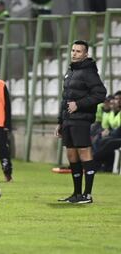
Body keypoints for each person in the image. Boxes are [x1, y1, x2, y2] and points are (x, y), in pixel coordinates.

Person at [55, 40, 106, 204]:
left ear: (86, 54)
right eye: (73, 50)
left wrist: (79, 104)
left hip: (81, 121)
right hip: (68, 121)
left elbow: (100, 94)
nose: (74, 53)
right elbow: (65, 99)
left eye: (78, 51)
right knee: (71, 156)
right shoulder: (70, 71)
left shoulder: (89, 72)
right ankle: (77, 194)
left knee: (84, 154)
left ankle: (87, 195)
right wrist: (60, 122)